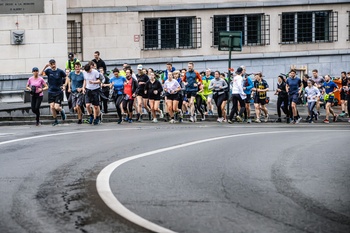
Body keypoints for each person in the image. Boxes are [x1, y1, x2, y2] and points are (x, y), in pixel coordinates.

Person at [41, 59, 67, 126]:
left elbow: (67, 77)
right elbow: (41, 74)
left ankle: (62, 111)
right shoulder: (48, 71)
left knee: (56, 107)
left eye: (53, 64)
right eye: (51, 64)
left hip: (58, 91)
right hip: (51, 91)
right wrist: (45, 66)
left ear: (55, 63)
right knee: (52, 107)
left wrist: (64, 85)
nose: (53, 65)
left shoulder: (60, 71)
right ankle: (56, 120)